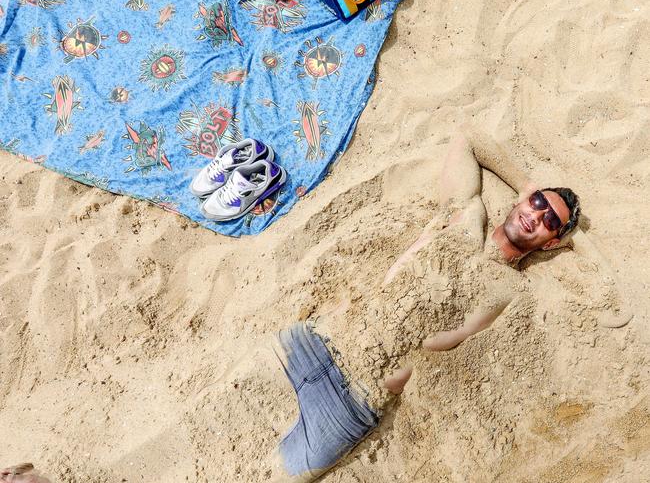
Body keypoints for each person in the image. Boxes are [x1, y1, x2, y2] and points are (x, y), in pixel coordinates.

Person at [199, 129, 625, 482]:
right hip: (318, 342)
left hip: (355, 402)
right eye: (536, 204)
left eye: (550, 221)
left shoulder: (512, 292)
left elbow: (613, 299)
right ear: (520, 200)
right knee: (209, 409)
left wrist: (573, 236)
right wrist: (529, 183)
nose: (537, 215)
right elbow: (470, 140)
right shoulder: (465, 214)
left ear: (552, 242)